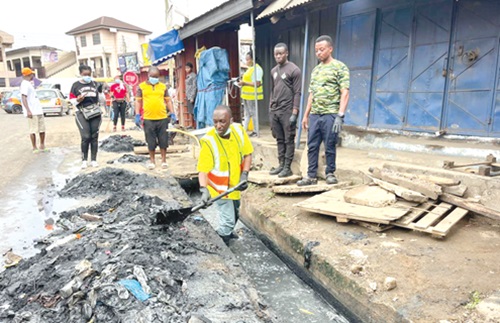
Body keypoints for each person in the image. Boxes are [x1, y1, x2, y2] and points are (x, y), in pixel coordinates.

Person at [297, 35, 350, 186]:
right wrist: (306, 115)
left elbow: (344, 92)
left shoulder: (340, 67)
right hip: (315, 114)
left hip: (331, 114)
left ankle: (330, 173)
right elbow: (311, 94)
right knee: (312, 145)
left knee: (330, 144)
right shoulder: (315, 71)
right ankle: (311, 176)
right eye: (316, 50)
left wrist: (340, 115)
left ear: (330, 49)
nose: (318, 53)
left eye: (321, 49)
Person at [197, 105, 253, 244]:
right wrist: (204, 190)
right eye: (215, 122)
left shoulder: (238, 131)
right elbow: (203, 170)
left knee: (235, 214)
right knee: (227, 220)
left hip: (235, 186)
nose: (218, 126)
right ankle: (222, 244)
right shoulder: (209, 141)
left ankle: (228, 231)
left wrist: (244, 175)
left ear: (231, 121)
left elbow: (247, 154)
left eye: (222, 121)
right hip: (219, 189)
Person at [268, 43, 302, 178]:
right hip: (275, 110)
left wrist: (295, 112)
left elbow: (298, 92)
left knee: (289, 139)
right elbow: (273, 90)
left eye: (280, 53)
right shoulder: (273, 71)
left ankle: (287, 167)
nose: (278, 56)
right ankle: (281, 164)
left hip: (287, 110)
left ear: (286, 53)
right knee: (279, 139)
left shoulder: (294, 70)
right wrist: (271, 109)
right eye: (276, 54)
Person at [135, 66, 175, 170]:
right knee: (150, 141)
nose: (155, 79)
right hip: (148, 118)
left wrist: (172, 113)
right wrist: (137, 115)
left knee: (163, 140)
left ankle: (163, 160)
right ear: (148, 76)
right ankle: (152, 161)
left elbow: (168, 101)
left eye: (156, 77)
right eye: (153, 76)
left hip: (162, 117)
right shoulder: (141, 87)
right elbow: (138, 101)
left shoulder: (163, 87)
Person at [70, 65, 103, 169]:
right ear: (81, 74)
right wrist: (78, 100)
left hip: (95, 113)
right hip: (81, 112)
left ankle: (93, 160)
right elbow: (71, 100)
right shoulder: (76, 85)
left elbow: (101, 100)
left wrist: (101, 92)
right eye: (85, 75)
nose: (87, 76)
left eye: (89, 74)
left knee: (94, 137)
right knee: (86, 137)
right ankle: (84, 160)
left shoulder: (95, 84)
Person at [20, 67, 46, 153]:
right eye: (31, 74)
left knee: (42, 129)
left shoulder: (29, 83)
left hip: (38, 110)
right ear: (28, 75)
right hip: (32, 111)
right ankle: (34, 147)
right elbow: (24, 97)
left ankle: (42, 145)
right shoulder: (24, 84)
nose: (33, 75)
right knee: (33, 130)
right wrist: (28, 110)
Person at [238, 51, 263, 136]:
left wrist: (244, 83)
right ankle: (244, 131)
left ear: (252, 59)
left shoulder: (258, 69)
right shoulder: (250, 69)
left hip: (252, 95)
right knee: (247, 113)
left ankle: (256, 131)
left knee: (253, 113)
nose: (246, 61)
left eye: (248, 59)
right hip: (246, 95)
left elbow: (258, 83)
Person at [185, 62, 197, 126]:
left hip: (192, 96)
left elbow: (194, 86)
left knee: (193, 111)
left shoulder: (193, 76)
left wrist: (192, 97)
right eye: (186, 68)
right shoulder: (187, 76)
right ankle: (191, 124)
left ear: (191, 68)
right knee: (190, 111)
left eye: (188, 68)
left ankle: (194, 124)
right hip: (188, 95)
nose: (187, 69)